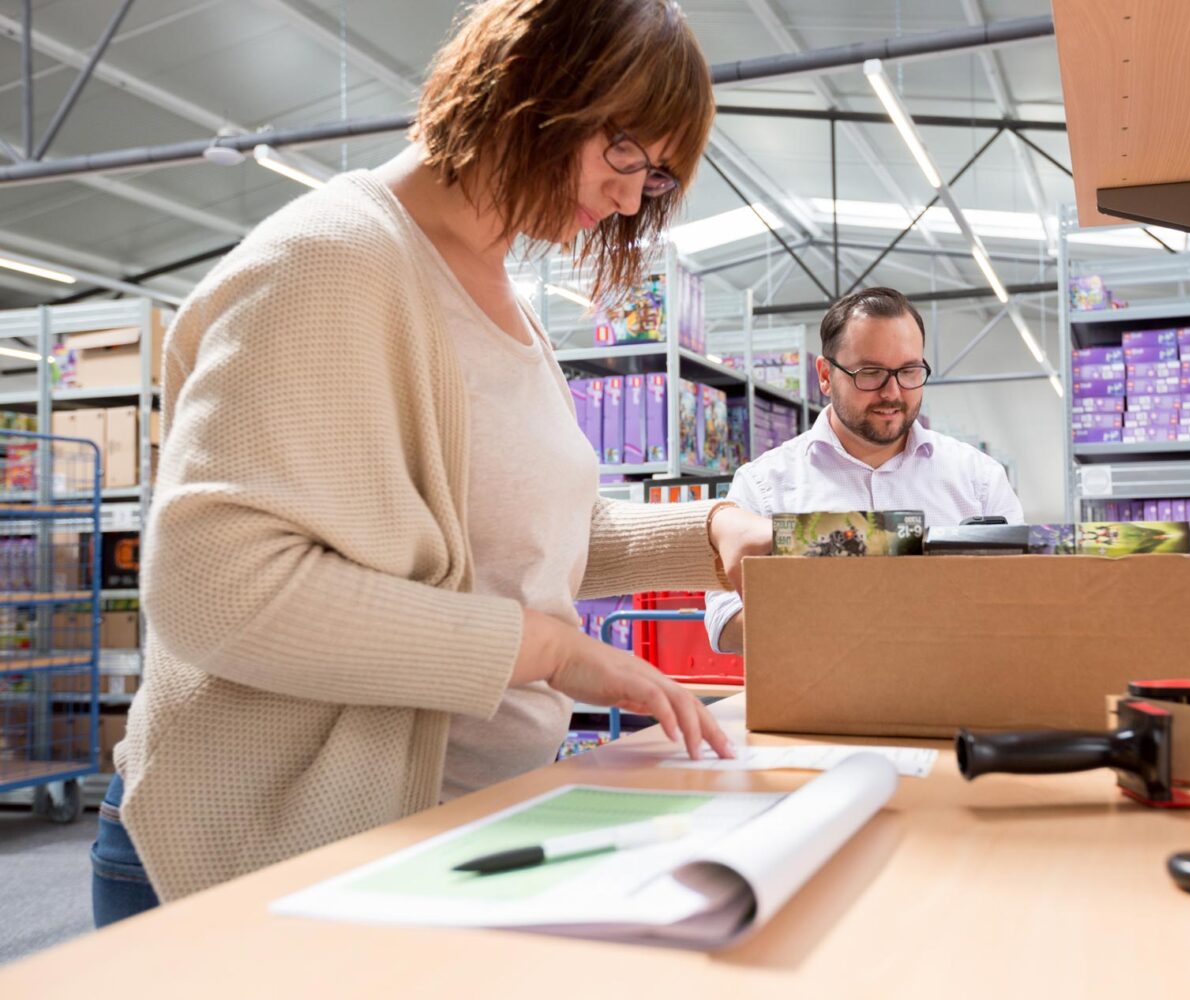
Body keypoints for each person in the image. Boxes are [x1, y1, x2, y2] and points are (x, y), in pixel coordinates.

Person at [93, 0, 770, 925]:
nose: (627, 198)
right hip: (259, 855)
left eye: (653, 177)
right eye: (624, 153)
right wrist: (545, 651)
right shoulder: (330, 262)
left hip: (434, 836)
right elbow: (214, 590)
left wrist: (709, 531)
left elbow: (513, 539)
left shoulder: (502, 292)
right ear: (534, 81)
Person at [705, 287, 1022, 653]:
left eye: (909, 371)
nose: (893, 392)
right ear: (825, 375)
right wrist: (836, 609)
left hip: (955, 700)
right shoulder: (763, 485)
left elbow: (1022, 601)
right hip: (819, 702)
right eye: (870, 373)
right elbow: (722, 624)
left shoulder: (978, 479)